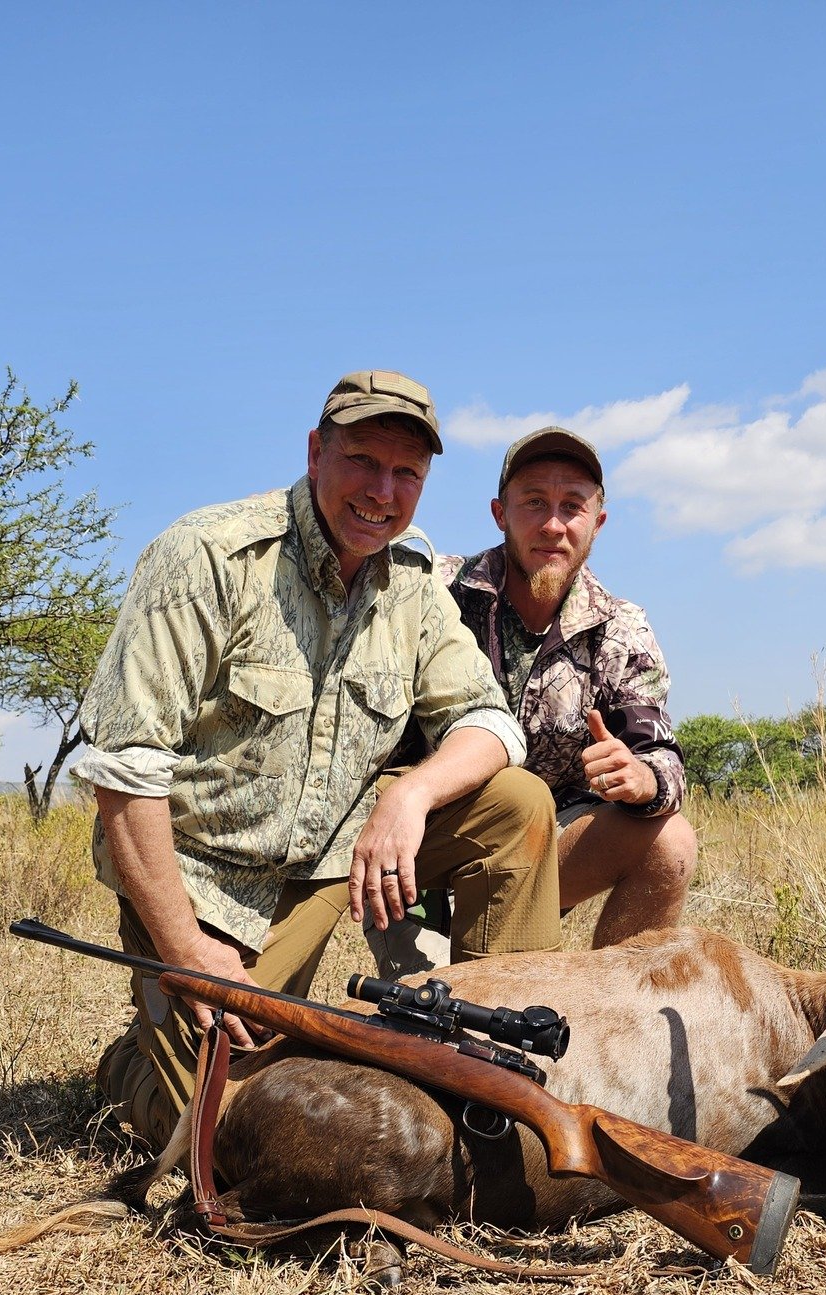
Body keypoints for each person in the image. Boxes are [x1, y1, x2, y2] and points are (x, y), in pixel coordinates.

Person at [71, 371, 561, 1151]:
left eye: (408, 474)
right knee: (224, 1138)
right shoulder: (206, 555)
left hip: (334, 860)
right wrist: (190, 952)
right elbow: (123, 771)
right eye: (364, 461)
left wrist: (409, 798)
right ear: (314, 454)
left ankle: (495, 1065)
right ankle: (133, 1064)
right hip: (203, 878)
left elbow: (491, 725)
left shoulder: (416, 585)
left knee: (518, 802)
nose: (383, 491)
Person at [369, 425, 693, 968]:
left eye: (572, 507)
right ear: (500, 513)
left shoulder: (622, 628)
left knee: (671, 842)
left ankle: (608, 1015)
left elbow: (663, 757)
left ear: (598, 523)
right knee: (426, 1024)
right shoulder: (429, 591)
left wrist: (642, 779)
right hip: (419, 848)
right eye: (534, 502)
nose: (552, 525)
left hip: (542, 852)